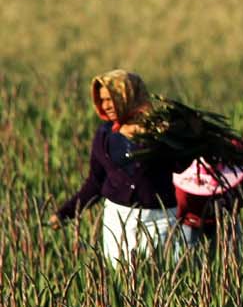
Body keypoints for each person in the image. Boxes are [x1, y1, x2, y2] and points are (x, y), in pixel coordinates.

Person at [51, 70, 186, 264]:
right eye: (102, 99)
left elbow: (184, 169)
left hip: (162, 220)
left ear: (128, 95)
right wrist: (65, 213)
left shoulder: (162, 131)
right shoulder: (105, 134)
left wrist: (171, 137)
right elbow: (95, 182)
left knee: (161, 279)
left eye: (110, 98)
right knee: (122, 282)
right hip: (119, 220)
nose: (106, 105)